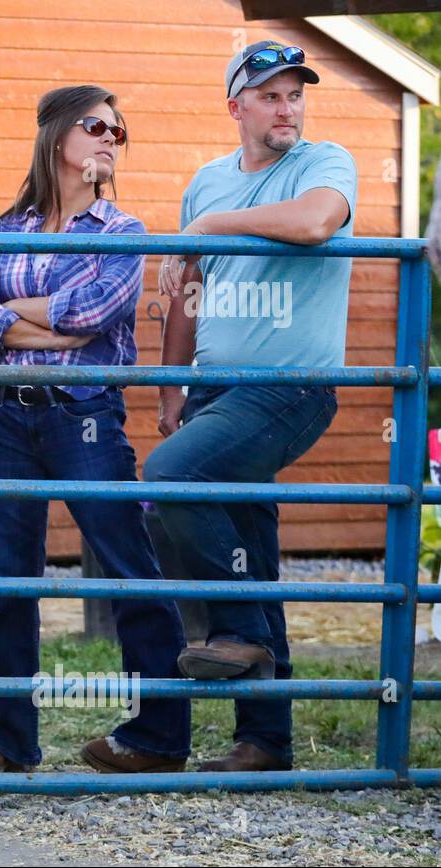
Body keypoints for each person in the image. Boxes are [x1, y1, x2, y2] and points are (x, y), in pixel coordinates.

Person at [0, 85, 190, 774]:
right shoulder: (5, 227)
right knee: (7, 584)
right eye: (98, 126)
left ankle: (159, 737)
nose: (111, 140)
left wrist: (23, 318)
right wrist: (43, 329)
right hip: (4, 414)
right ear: (59, 137)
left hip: (84, 413)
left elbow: (92, 312)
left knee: (129, 572)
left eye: (121, 131)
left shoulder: (124, 234)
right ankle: (10, 743)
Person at [148, 41, 353, 773]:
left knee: (169, 480)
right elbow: (186, 293)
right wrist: (172, 391)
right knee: (253, 557)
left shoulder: (325, 162)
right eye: (270, 95)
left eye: (295, 93)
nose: (287, 106)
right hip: (214, 391)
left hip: (288, 387)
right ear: (236, 105)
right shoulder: (206, 180)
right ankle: (266, 741)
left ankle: (236, 631)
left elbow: (317, 223)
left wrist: (207, 229)